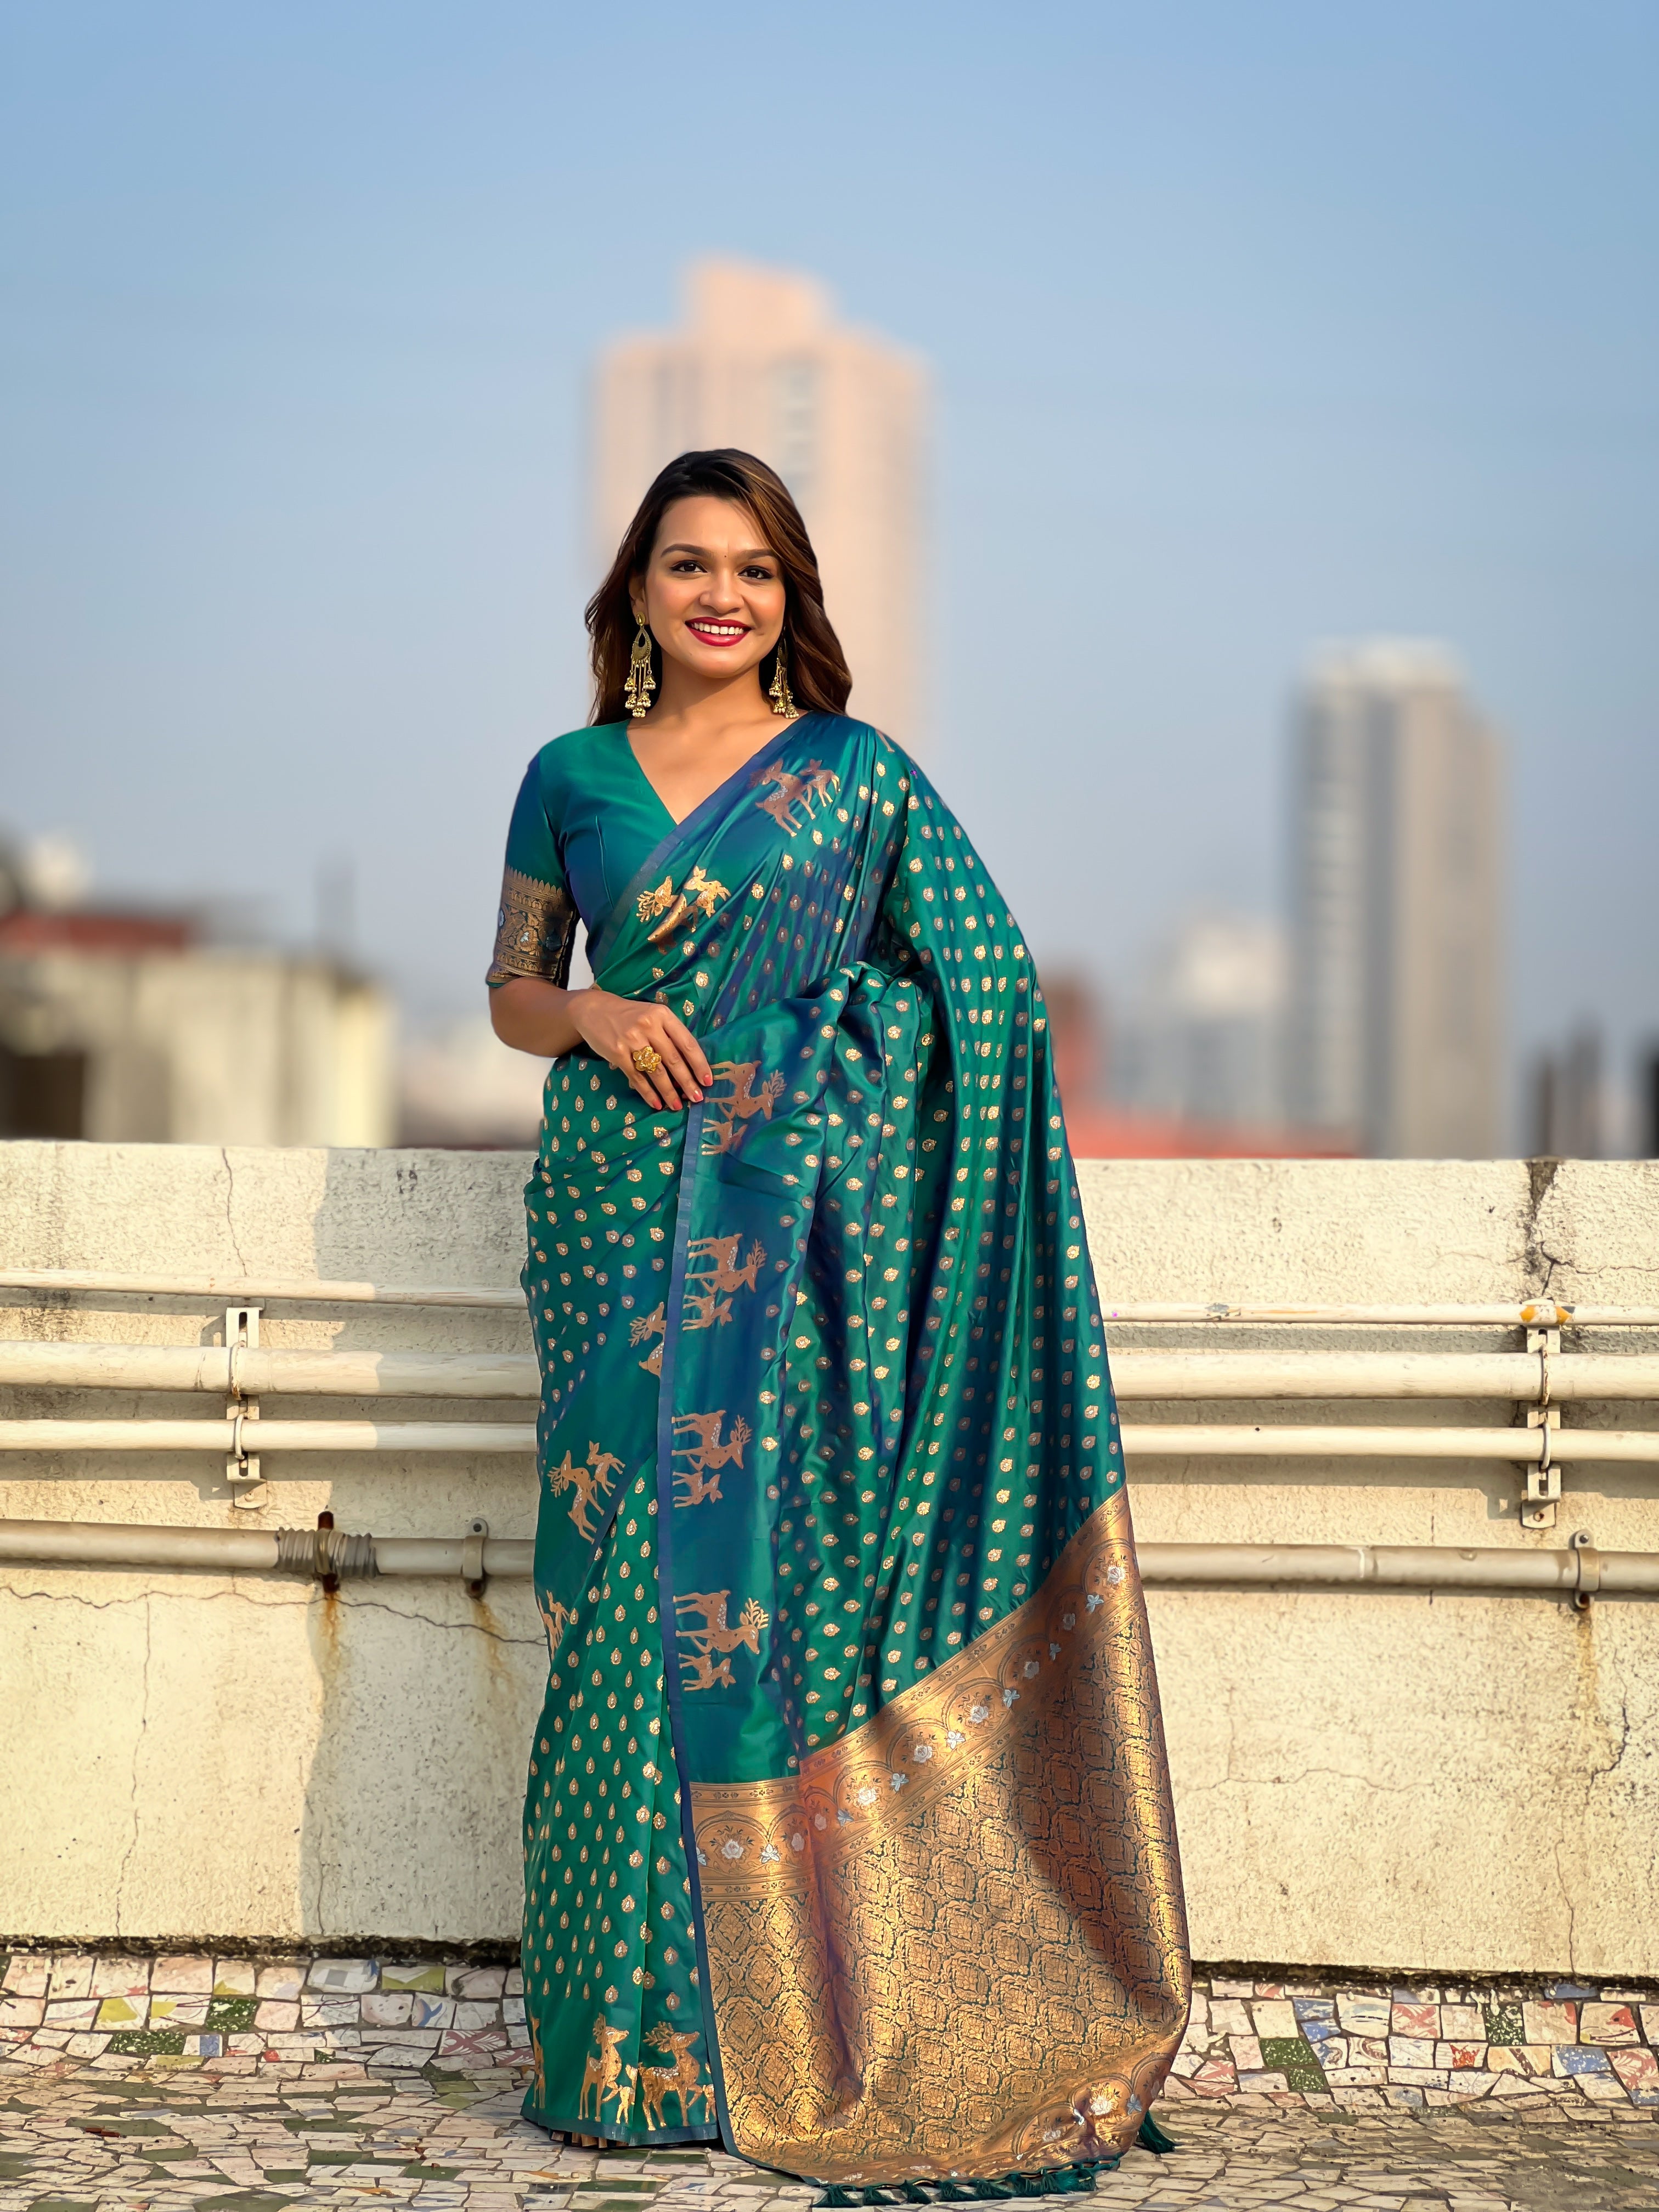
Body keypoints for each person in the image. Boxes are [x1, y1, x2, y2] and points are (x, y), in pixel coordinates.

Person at [487, 449, 1188, 2186]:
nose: (722, 594)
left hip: (788, 1238)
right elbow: (510, 988)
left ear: (792, 596)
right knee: (617, 1609)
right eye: (688, 565)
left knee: (750, 1605)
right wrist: (590, 1016)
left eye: (757, 570)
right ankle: (611, 2054)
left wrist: (810, 1064)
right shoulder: (569, 776)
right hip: (609, 1214)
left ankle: (760, 2041)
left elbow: (989, 981)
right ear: (636, 594)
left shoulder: (857, 779)